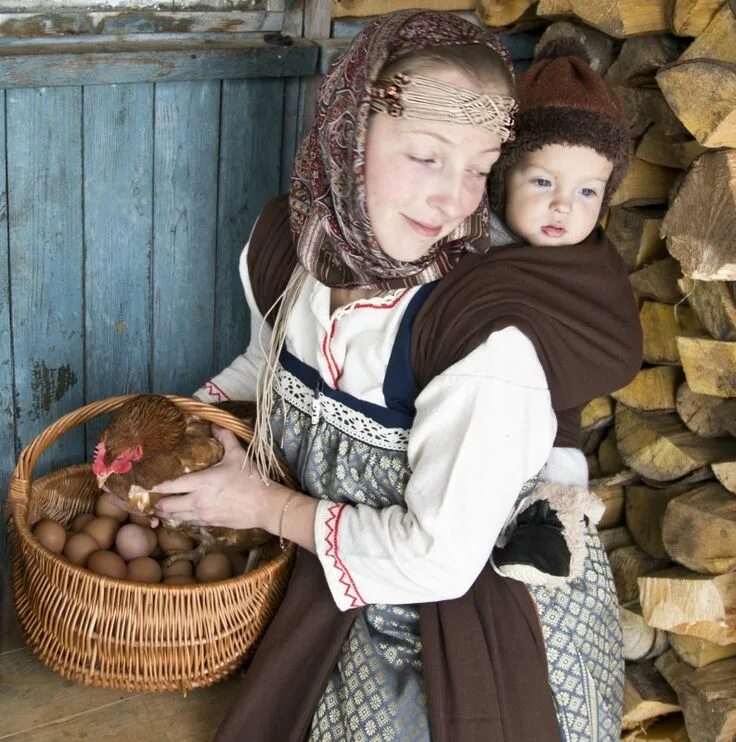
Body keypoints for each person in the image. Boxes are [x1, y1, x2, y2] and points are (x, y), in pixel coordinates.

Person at [152, 10, 641, 741]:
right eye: (426, 157)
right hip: (335, 583)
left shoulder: (481, 338)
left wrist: (259, 504)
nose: (453, 199)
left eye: (480, 170)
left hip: (465, 631)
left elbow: (439, 560)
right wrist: (199, 420)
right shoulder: (289, 247)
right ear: (347, 137)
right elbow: (276, 360)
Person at [488, 39, 632, 586]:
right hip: (471, 415)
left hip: (552, 425)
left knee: (558, 460)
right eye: (543, 181)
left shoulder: (593, 265)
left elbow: (612, 345)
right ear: (502, 177)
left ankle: (547, 526)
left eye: (588, 191)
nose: (564, 206)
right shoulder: (471, 244)